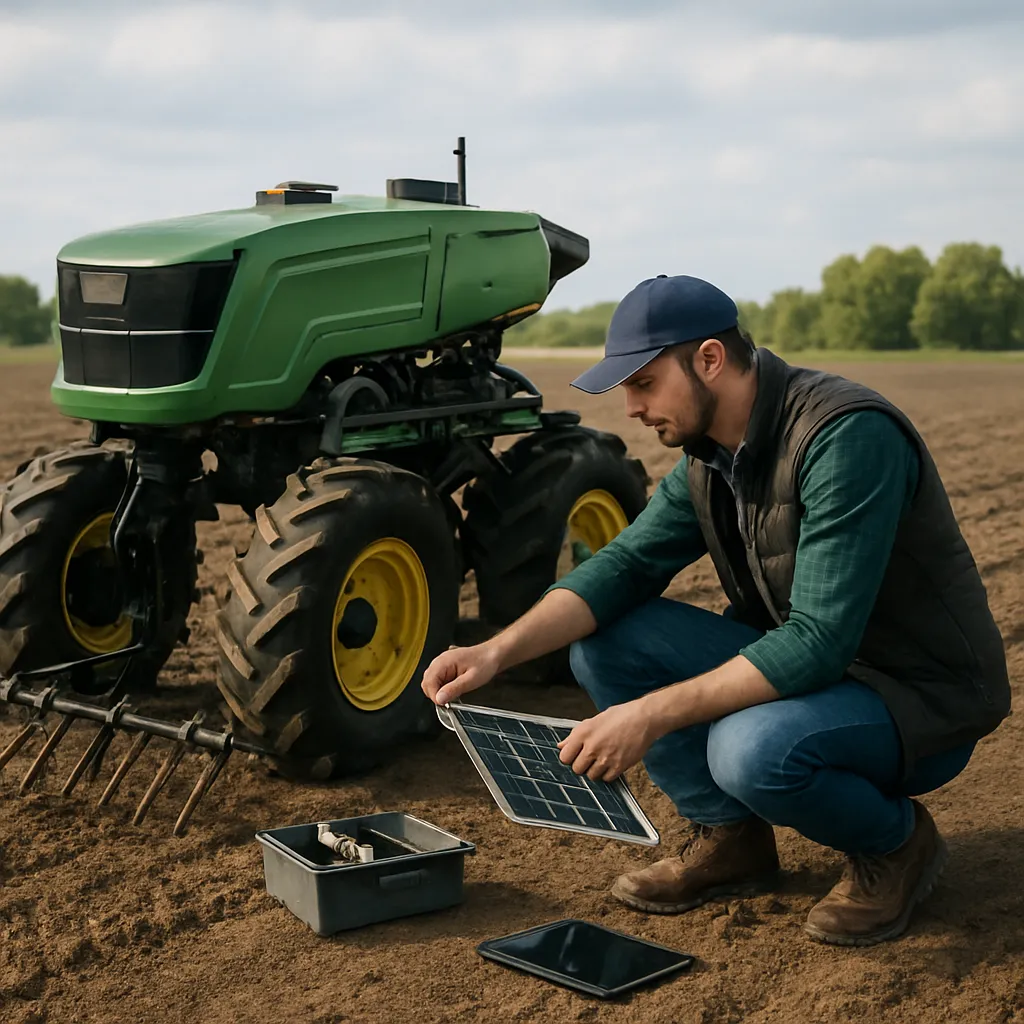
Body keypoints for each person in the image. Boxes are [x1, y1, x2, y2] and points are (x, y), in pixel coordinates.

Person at [421, 275, 1010, 947]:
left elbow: (818, 641)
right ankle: (732, 841)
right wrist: (495, 652)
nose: (632, 408)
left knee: (748, 752)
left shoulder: (846, 437)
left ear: (708, 359)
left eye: (644, 384)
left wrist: (648, 714)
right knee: (606, 638)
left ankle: (897, 844)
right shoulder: (710, 459)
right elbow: (623, 567)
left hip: (917, 695)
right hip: (820, 669)